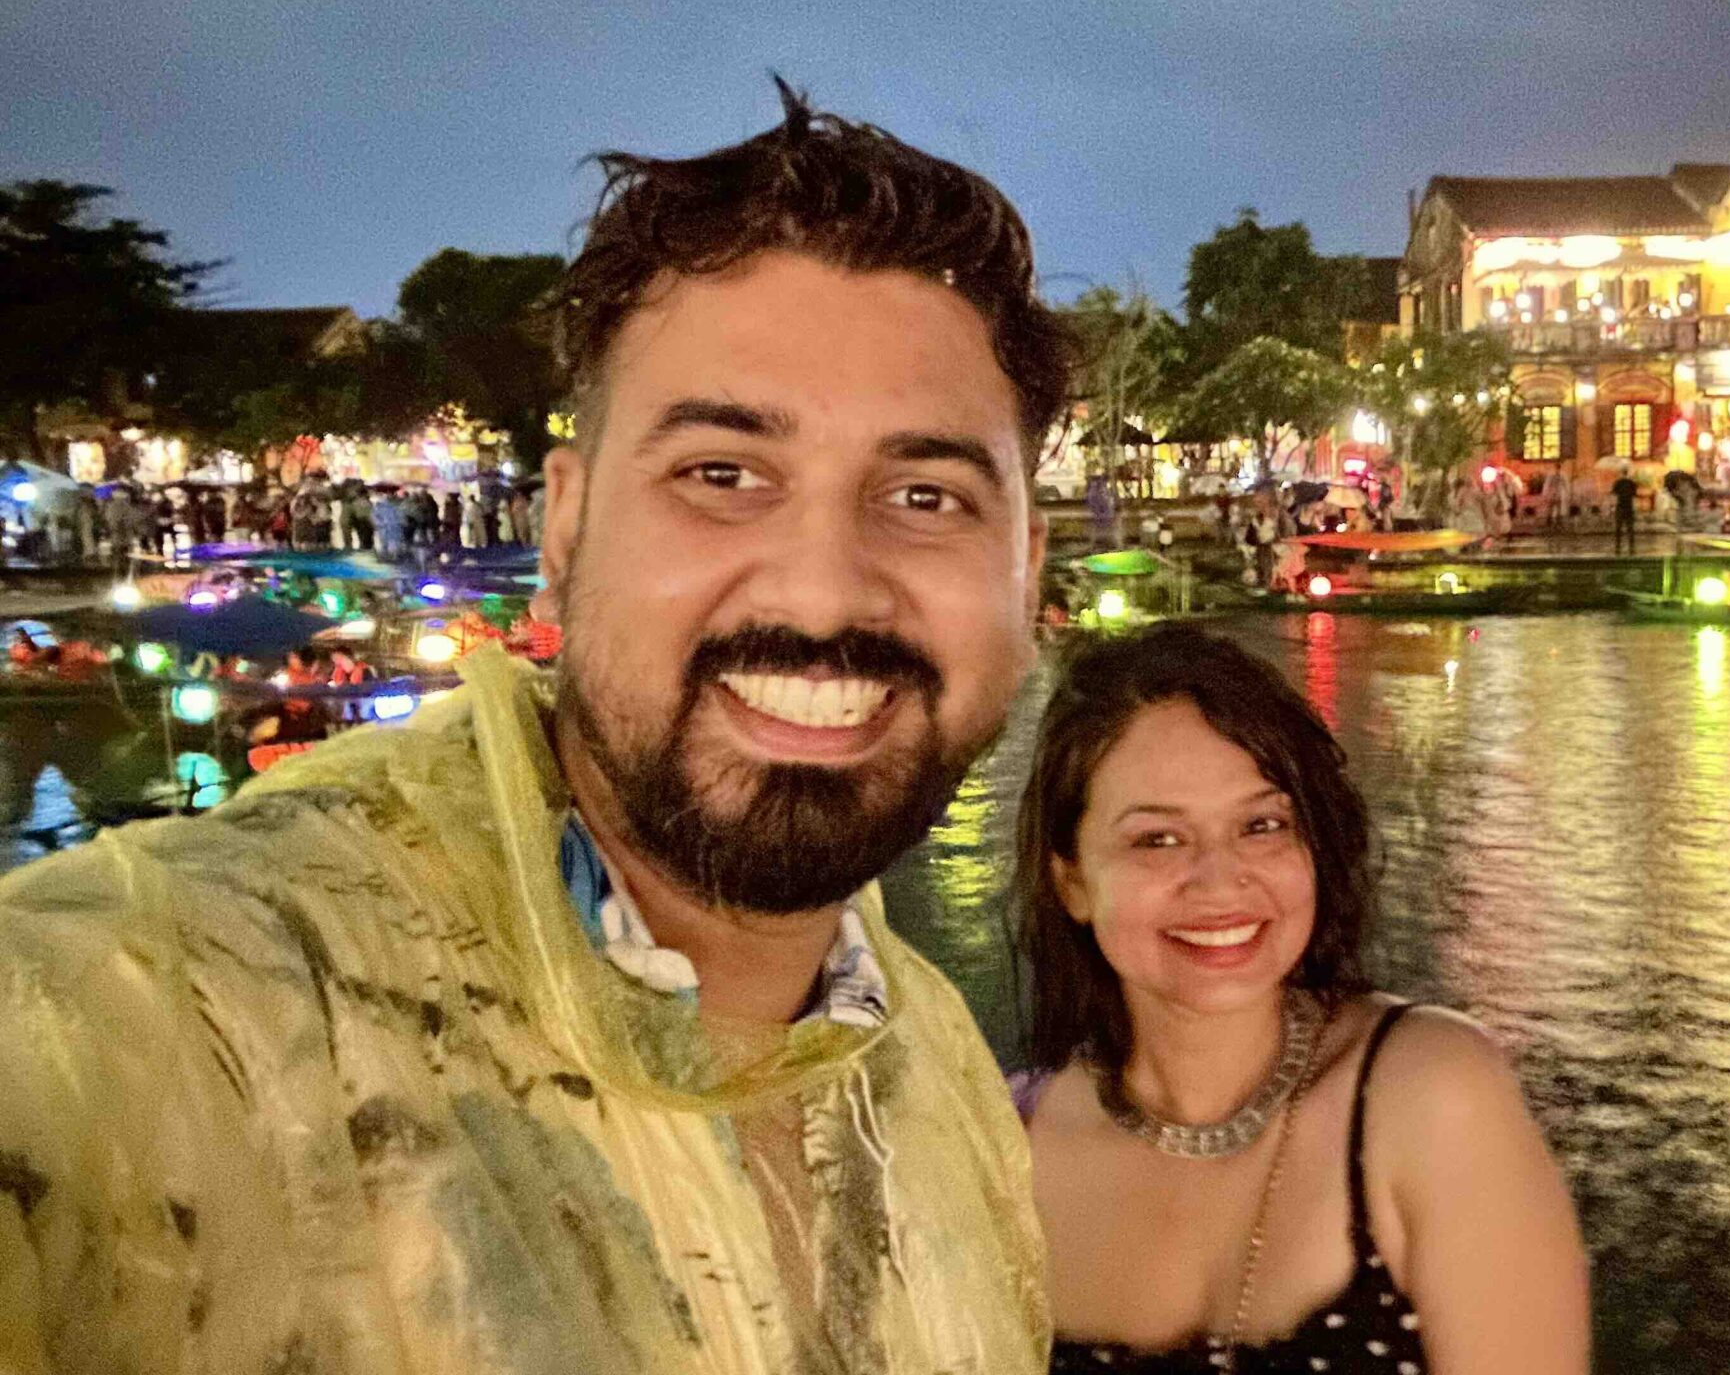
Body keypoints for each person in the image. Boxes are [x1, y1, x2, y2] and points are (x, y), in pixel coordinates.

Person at [0, 85, 1073, 1372]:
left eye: (924, 493)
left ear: (1025, 573)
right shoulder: (181, 1011)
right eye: (722, 475)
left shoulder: (942, 1065)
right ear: (562, 533)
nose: (822, 589)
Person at [1014, 628, 1588, 1375]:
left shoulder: (1429, 1096)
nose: (1220, 883)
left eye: (1263, 825)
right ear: (1073, 883)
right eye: (1157, 840)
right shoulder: (1005, 1152)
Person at [1609, 471, 1639, 553]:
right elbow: (1635, 495)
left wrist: (1612, 507)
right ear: (1628, 474)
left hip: (1620, 507)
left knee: (1618, 528)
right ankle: (1631, 547)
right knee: (1630, 528)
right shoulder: (1632, 483)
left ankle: (1618, 546)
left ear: (1621, 474)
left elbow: (1613, 493)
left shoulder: (1618, 482)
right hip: (1629, 507)